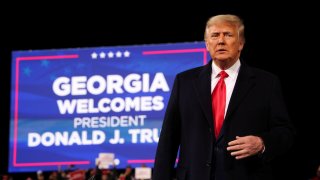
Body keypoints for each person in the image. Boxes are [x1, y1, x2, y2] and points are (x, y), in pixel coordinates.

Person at [153, 14, 295, 180]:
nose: (221, 41)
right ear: (207, 44)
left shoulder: (266, 83)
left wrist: (262, 142)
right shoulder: (184, 82)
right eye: (214, 35)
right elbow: (168, 139)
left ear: (240, 43)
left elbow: (285, 132)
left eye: (228, 35)